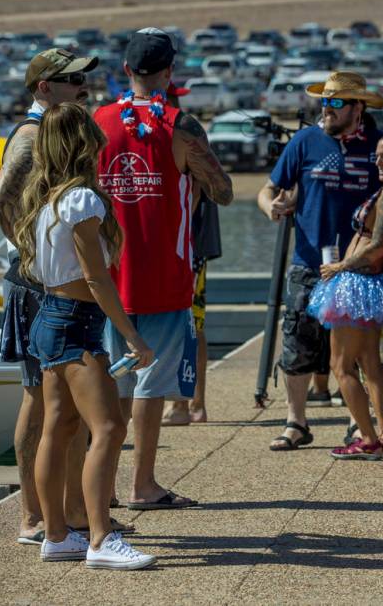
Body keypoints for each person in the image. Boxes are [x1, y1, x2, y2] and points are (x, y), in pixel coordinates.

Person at [13, 102, 156, 569]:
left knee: (60, 427)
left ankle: (56, 535)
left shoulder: (46, 200)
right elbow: (96, 278)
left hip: (51, 317)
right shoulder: (82, 199)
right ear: (84, 144)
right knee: (110, 426)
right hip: (77, 320)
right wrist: (132, 335)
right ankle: (99, 539)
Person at [94, 28, 233, 509]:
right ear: (170, 72)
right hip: (165, 278)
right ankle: (143, 485)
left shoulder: (97, 122)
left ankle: (102, 489)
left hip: (106, 279)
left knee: (113, 387)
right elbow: (223, 191)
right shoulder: (181, 125)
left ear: (126, 71)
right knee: (151, 387)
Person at [0, 48, 123, 545]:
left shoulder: (55, 132)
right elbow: (2, 197)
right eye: (71, 79)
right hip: (39, 286)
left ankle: (67, 514)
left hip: (49, 282)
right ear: (44, 87)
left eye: (84, 77)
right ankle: (34, 516)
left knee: (61, 409)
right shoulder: (30, 135)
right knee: (39, 402)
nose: (83, 86)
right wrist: (32, 255)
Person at [257, 71, 383, 450]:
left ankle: (356, 422)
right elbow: (268, 190)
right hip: (308, 262)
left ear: (357, 107)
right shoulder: (304, 141)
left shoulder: (378, 146)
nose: (325, 109)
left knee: (357, 352)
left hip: (358, 266)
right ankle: (296, 422)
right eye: (323, 102)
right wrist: (272, 208)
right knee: (297, 341)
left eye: (335, 102)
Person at [308, 131, 383, 459]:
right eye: (378, 156)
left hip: (357, 282)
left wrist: (339, 266)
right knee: (371, 363)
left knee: (340, 366)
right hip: (375, 282)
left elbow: (378, 245)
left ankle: (368, 438)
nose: (380, 163)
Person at [162, 82, 220, 426]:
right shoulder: (185, 129)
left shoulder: (181, 131)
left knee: (189, 325)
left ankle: (187, 404)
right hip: (190, 245)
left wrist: (174, 240)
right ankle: (192, 403)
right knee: (193, 324)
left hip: (186, 248)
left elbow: (195, 190)